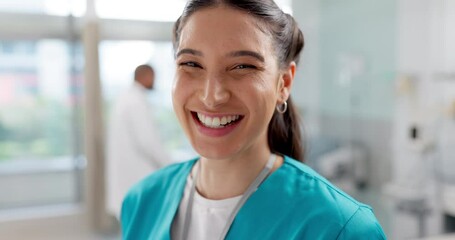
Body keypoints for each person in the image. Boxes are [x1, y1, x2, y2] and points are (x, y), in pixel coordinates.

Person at [121, 1, 387, 239]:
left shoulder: (340, 229)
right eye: (191, 64)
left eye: (242, 67)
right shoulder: (142, 201)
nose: (212, 96)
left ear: (284, 83)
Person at [106, 64, 169, 219]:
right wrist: (170, 166)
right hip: (137, 179)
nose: (154, 81)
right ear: (146, 76)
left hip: (129, 181)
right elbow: (148, 142)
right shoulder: (136, 102)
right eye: (153, 77)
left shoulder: (125, 98)